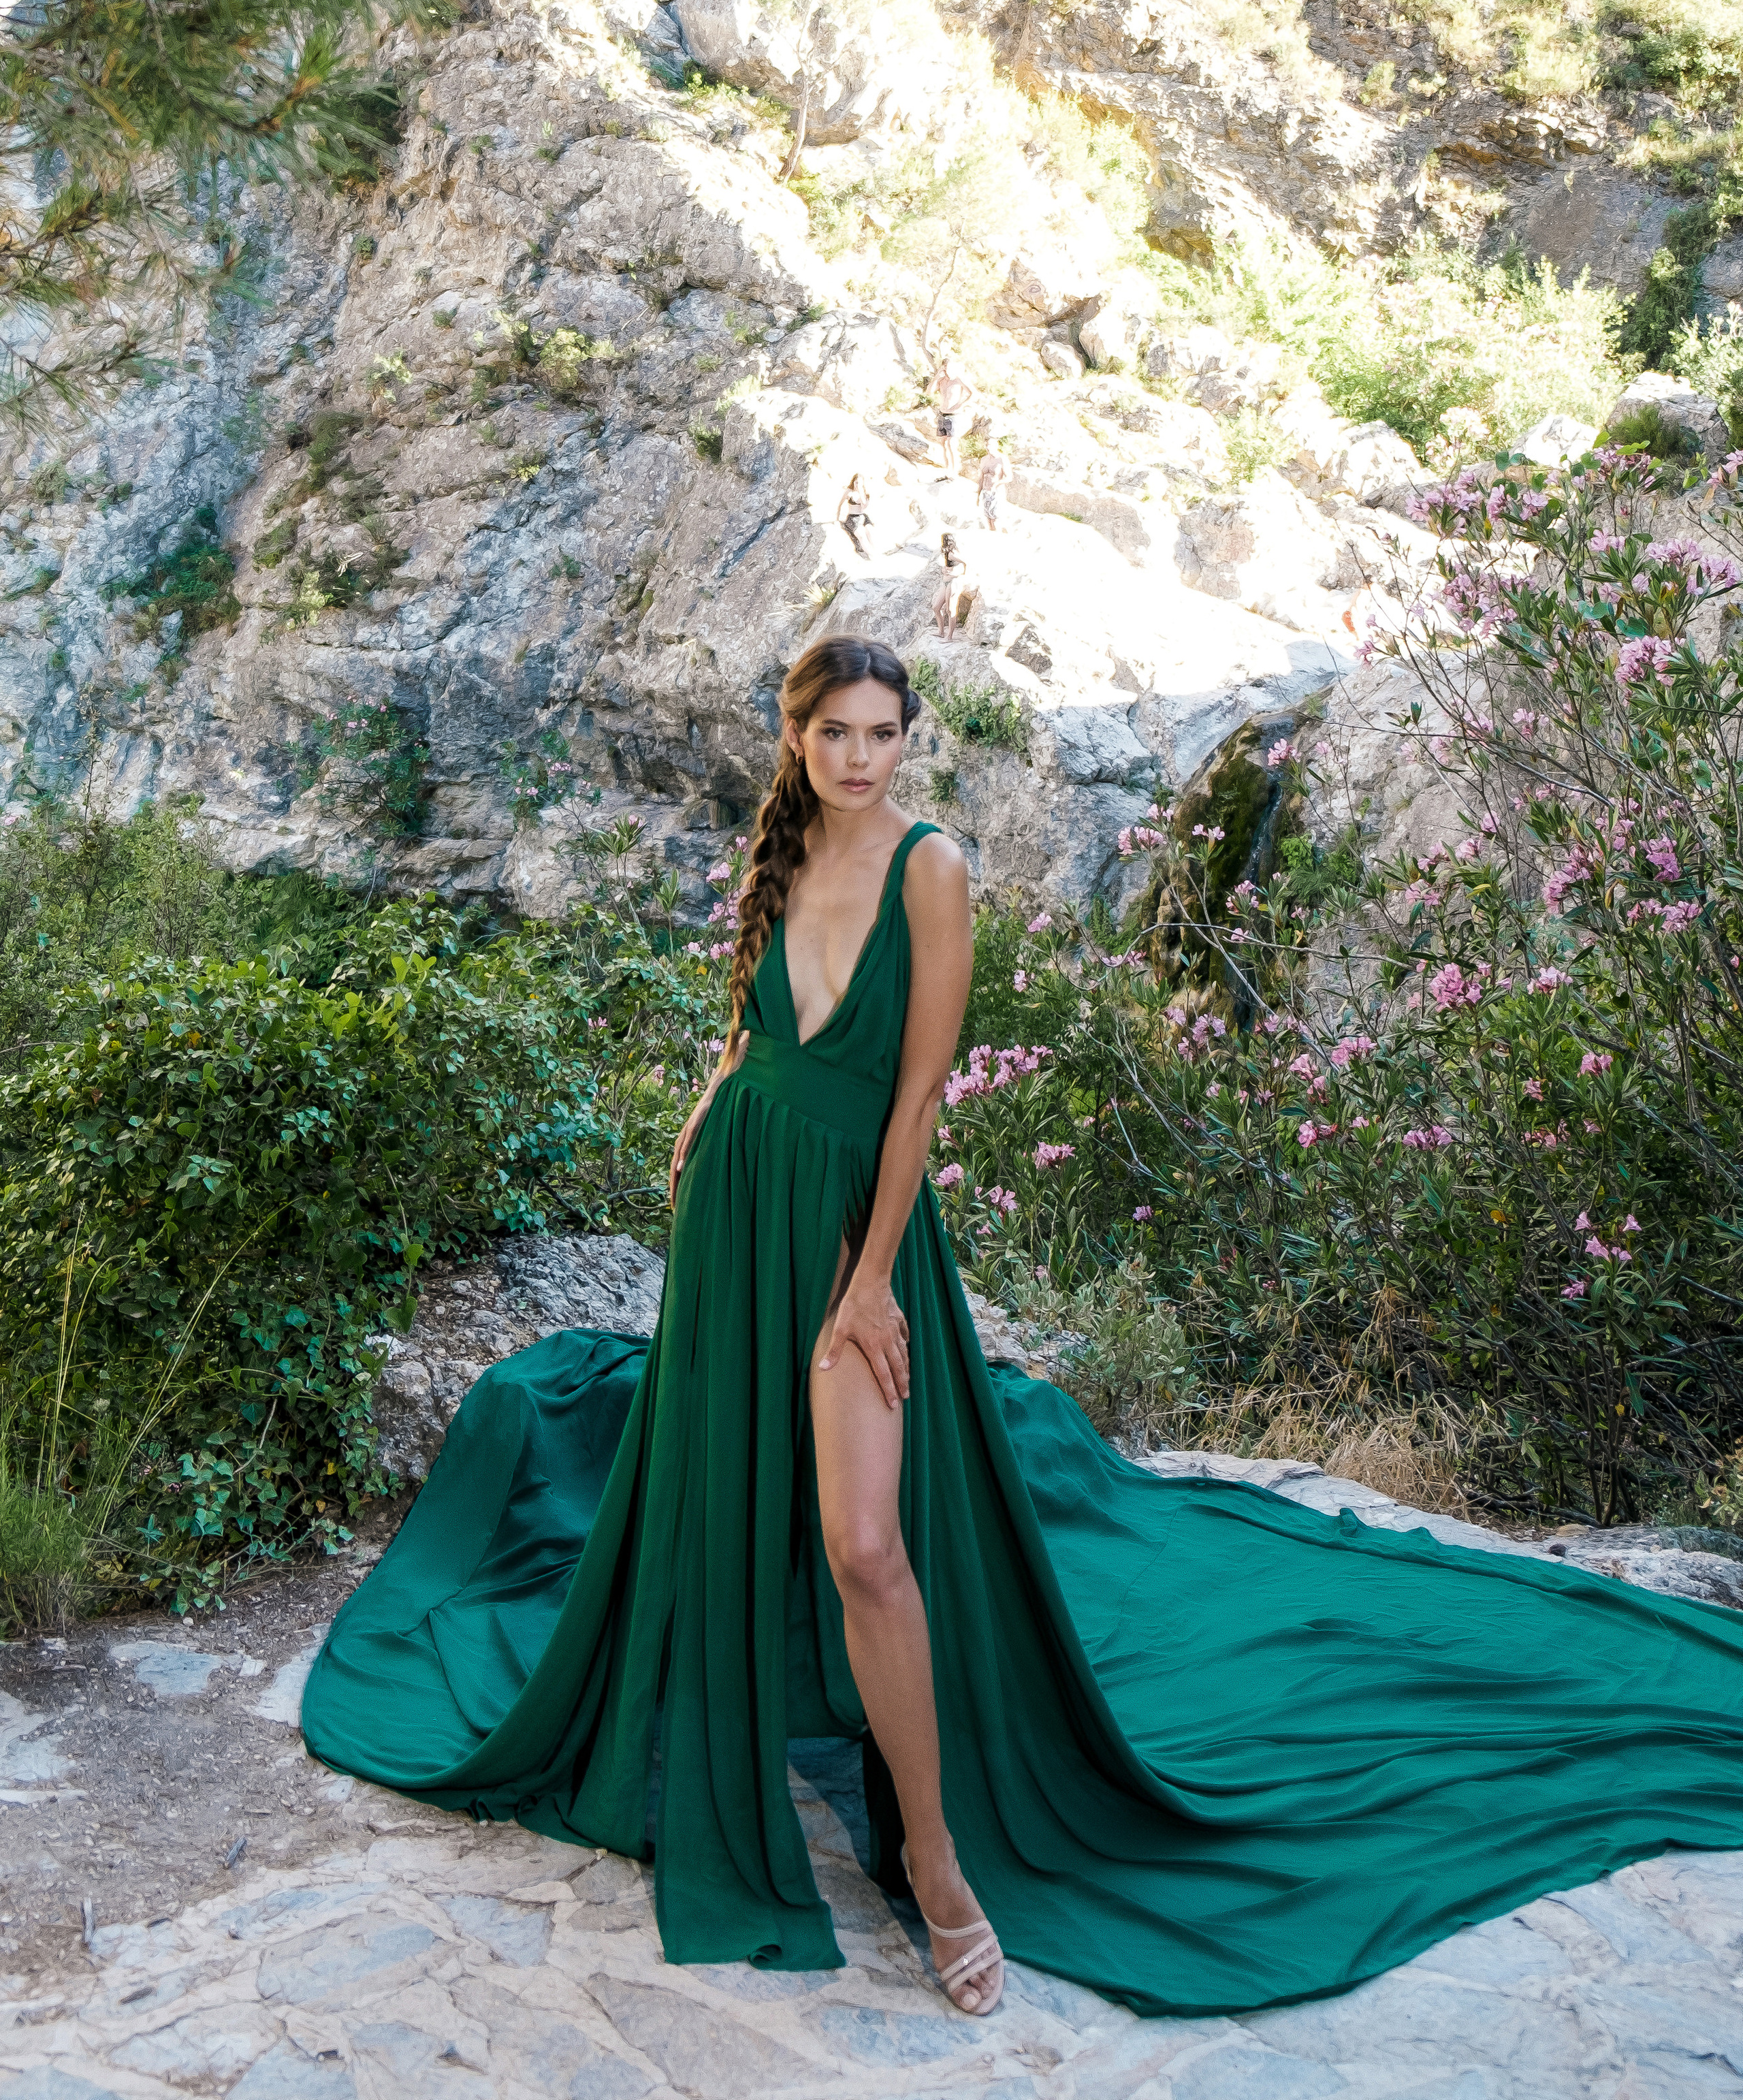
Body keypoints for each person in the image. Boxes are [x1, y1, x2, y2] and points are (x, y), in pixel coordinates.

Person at [303, 637, 1743, 2025]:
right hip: (738, 1214)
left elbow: (918, 1094)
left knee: (867, 1545)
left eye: (882, 736)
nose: (859, 759)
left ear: (906, 742)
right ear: (795, 740)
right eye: (833, 734)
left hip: (851, 1241)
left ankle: (935, 1862)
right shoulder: (783, 851)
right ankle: (780, 1747)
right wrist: (708, 1099)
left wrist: (868, 1284)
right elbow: (752, 1029)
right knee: (743, 1510)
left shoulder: (930, 869)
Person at [930, 357, 973, 482]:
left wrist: (961, 404)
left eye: (949, 367)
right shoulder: (942, 380)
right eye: (945, 367)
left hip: (954, 416)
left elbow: (973, 393)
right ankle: (948, 472)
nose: (947, 369)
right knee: (944, 444)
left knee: (951, 443)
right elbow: (929, 392)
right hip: (942, 414)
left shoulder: (958, 380)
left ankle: (955, 473)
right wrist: (936, 378)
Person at [931, 531, 972, 639]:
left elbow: (965, 563)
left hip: (953, 583)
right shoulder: (948, 553)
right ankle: (941, 631)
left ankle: (949, 636)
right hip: (945, 582)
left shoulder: (952, 554)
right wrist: (945, 569)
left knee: (950, 610)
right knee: (936, 607)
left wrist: (958, 573)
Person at [837, 473, 874, 560]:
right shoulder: (849, 492)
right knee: (862, 537)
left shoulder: (865, 493)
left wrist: (861, 492)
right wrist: (837, 519)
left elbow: (864, 506)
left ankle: (876, 552)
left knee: (870, 532)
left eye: (859, 483)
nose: (857, 485)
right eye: (856, 482)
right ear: (853, 482)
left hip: (863, 517)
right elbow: (840, 505)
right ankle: (871, 555)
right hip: (853, 518)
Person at [976, 442, 1009, 536]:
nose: (988, 447)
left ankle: (1004, 538)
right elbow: (981, 478)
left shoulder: (1002, 459)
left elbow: (1009, 477)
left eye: (990, 445)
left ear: (996, 446)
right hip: (986, 492)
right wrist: (978, 495)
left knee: (996, 520)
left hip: (997, 492)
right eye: (987, 445)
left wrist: (997, 484)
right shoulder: (984, 460)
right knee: (988, 520)